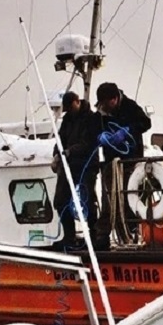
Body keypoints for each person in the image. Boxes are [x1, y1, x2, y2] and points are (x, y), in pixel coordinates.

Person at [94, 82, 152, 247]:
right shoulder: (101, 112)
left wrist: (127, 131)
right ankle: (102, 237)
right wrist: (100, 137)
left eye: (107, 104)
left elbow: (146, 123)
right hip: (111, 162)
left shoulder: (130, 106)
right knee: (109, 201)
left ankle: (132, 233)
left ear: (114, 99)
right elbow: (93, 127)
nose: (105, 107)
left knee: (129, 199)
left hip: (130, 162)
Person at [53, 91, 102, 248]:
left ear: (77, 101)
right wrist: (56, 155)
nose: (69, 111)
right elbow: (60, 139)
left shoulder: (92, 118)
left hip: (87, 164)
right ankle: (69, 237)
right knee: (60, 200)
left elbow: (89, 143)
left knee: (88, 200)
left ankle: (93, 236)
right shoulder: (67, 119)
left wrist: (70, 151)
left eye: (70, 107)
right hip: (69, 165)